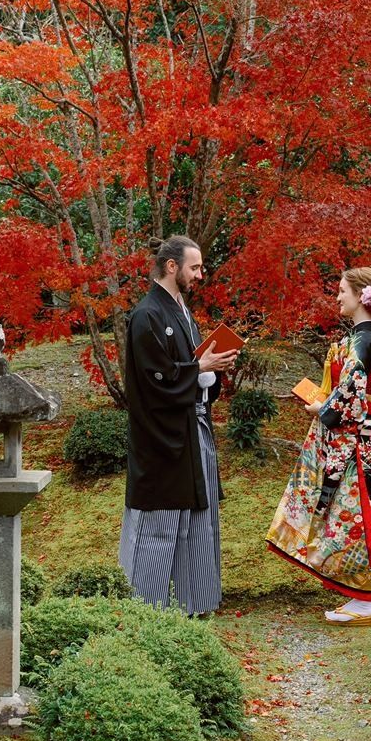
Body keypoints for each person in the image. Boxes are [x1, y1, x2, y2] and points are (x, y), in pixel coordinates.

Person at [265, 267, 371, 626]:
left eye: (342, 291)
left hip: (358, 435)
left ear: (360, 296)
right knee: (359, 507)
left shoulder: (364, 336)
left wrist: (320, 408)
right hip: (370, 430)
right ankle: (360, 595)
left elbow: (352, 391)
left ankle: (365, 599)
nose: (338, 297)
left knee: (358, 510)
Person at [119, 236, 238, 615]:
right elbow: (154, 379)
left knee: (198, 520)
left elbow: (188, 367)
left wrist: (211, 368)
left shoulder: (182, 311)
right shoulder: (147, 315)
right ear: (171, 267)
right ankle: (144, 608)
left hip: (193, 428)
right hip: (161, 437)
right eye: (195, 267)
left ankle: (196, 603)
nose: (200, 274)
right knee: (158, 524)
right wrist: (198, 368)